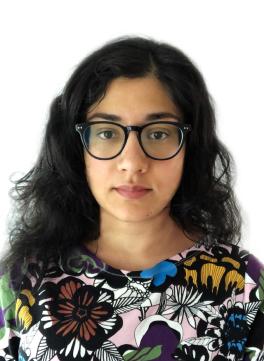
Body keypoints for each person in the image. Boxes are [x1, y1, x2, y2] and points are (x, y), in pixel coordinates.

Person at [0, 35, 263, 361]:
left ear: (189, 148)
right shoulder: (23, 282)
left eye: (158, 133)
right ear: (76, 147)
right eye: (108, 132)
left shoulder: (242, 285)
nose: (133, 163)